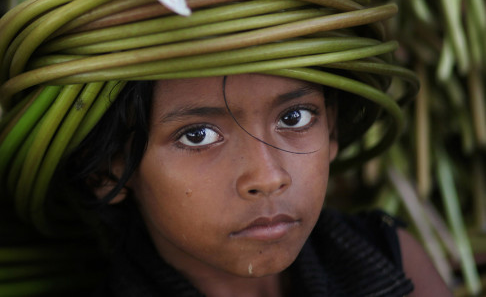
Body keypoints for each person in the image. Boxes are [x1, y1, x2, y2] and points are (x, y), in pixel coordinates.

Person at [64, 74, 451, 296]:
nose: (268, 177)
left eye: (296, 117)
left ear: (330, 128)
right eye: (197, 135)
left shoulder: (390, 261)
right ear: (108, 170)